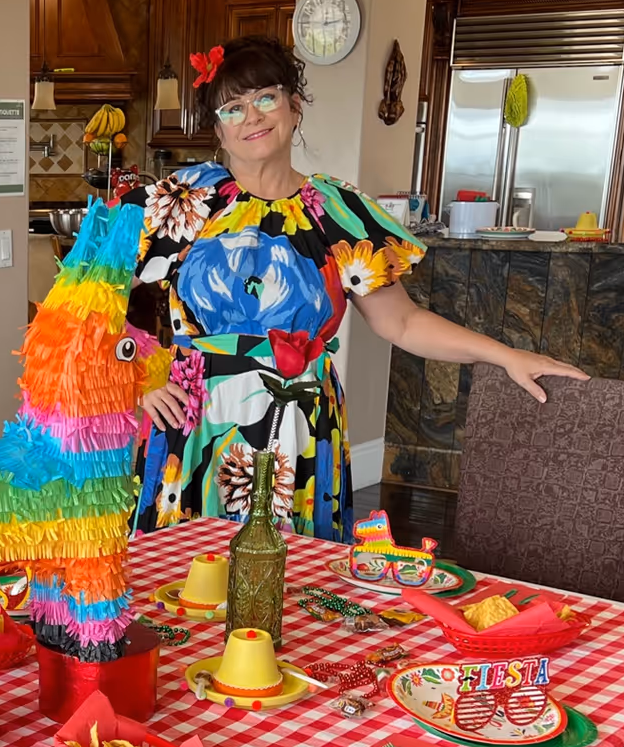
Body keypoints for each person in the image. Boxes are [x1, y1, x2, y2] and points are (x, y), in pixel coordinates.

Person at [125, 35, 586, 540]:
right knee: (182, 585)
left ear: (294, 106)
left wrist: (505, 355)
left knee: (293, 587)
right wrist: (136, 378)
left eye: (265, 97)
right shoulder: (177, 202)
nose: (252, 116)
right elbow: (84, 304)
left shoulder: (338, 210)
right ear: (218, 128)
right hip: (195, 420)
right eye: (233, 108)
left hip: (299, 425)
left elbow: (403, 322)